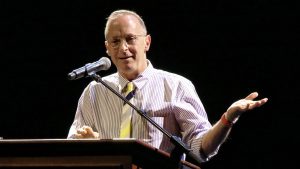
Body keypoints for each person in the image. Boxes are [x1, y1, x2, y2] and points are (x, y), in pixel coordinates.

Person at [67, 9, 268, 163]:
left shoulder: (176, 86)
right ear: (107, 48)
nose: (123, 48)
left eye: (130, 39)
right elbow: (71, 147)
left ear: (147, 42)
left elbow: (201, 149)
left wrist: (228, 118)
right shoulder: (94, 91)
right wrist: (86, 144)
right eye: (116, 41)